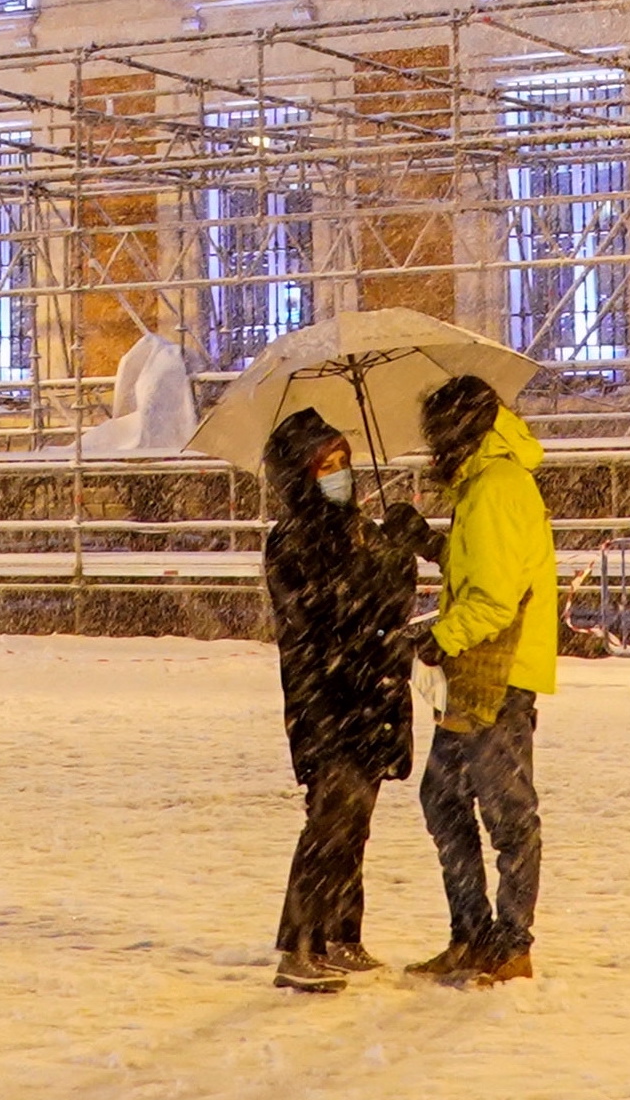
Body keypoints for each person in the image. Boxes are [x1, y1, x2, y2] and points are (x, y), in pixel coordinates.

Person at [259, 407, 437, 994]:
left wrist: (396, 547)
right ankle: (300, 946)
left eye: (342, 461)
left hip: (367, 697)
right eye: (324, 465)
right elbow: (344, 610)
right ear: (299, 477)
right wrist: (390, 556)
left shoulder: (351, 527)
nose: (339, 474)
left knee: (353, 823)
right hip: (330, 702)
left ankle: (342, 934)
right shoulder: (297, 538)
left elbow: (386, 606)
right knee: (331, 823)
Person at [406, 372, 556, 987]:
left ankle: (511, 945)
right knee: (443, 800)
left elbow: (495, 599)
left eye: (436, 431)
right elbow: (481, 566)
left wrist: (439, 637)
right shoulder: (481, 485)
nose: (430, 445)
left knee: (508, 814)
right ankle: (470, 936)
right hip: (476, 671)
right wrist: (430, 545)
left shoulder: (497, 486)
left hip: (499, 670)